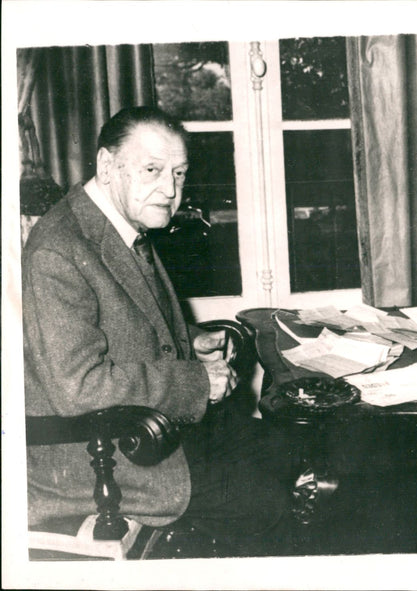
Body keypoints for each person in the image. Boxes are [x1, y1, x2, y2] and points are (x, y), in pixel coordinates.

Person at [23, 106, 297, 557]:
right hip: (98, 459)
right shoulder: (59, 251)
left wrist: (190, 338)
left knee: (284, 443)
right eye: (152, 170)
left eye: (180, 173)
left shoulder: (114, 221)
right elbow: (79, 387)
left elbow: (118, 317)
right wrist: (197, 381)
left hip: (145, 433)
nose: (170, 190)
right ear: (107, 166)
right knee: (265, 503)